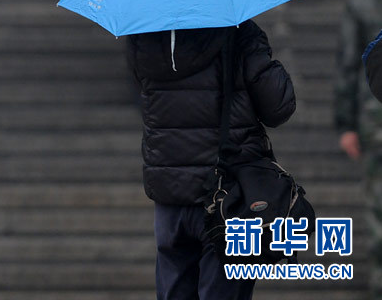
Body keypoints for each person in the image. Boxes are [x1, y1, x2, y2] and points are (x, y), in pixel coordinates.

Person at [126, 21, 295, 299]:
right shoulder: (241, 33)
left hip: (171, 199)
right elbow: (279, 107)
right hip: (230, 194)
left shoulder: (144, 37)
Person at [334, 0, 382, 297]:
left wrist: (347, 123)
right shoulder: (362, 5)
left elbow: (349, 67)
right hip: (373, 120)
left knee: (379, 203)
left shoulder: (364, 4)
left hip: (374, 117)